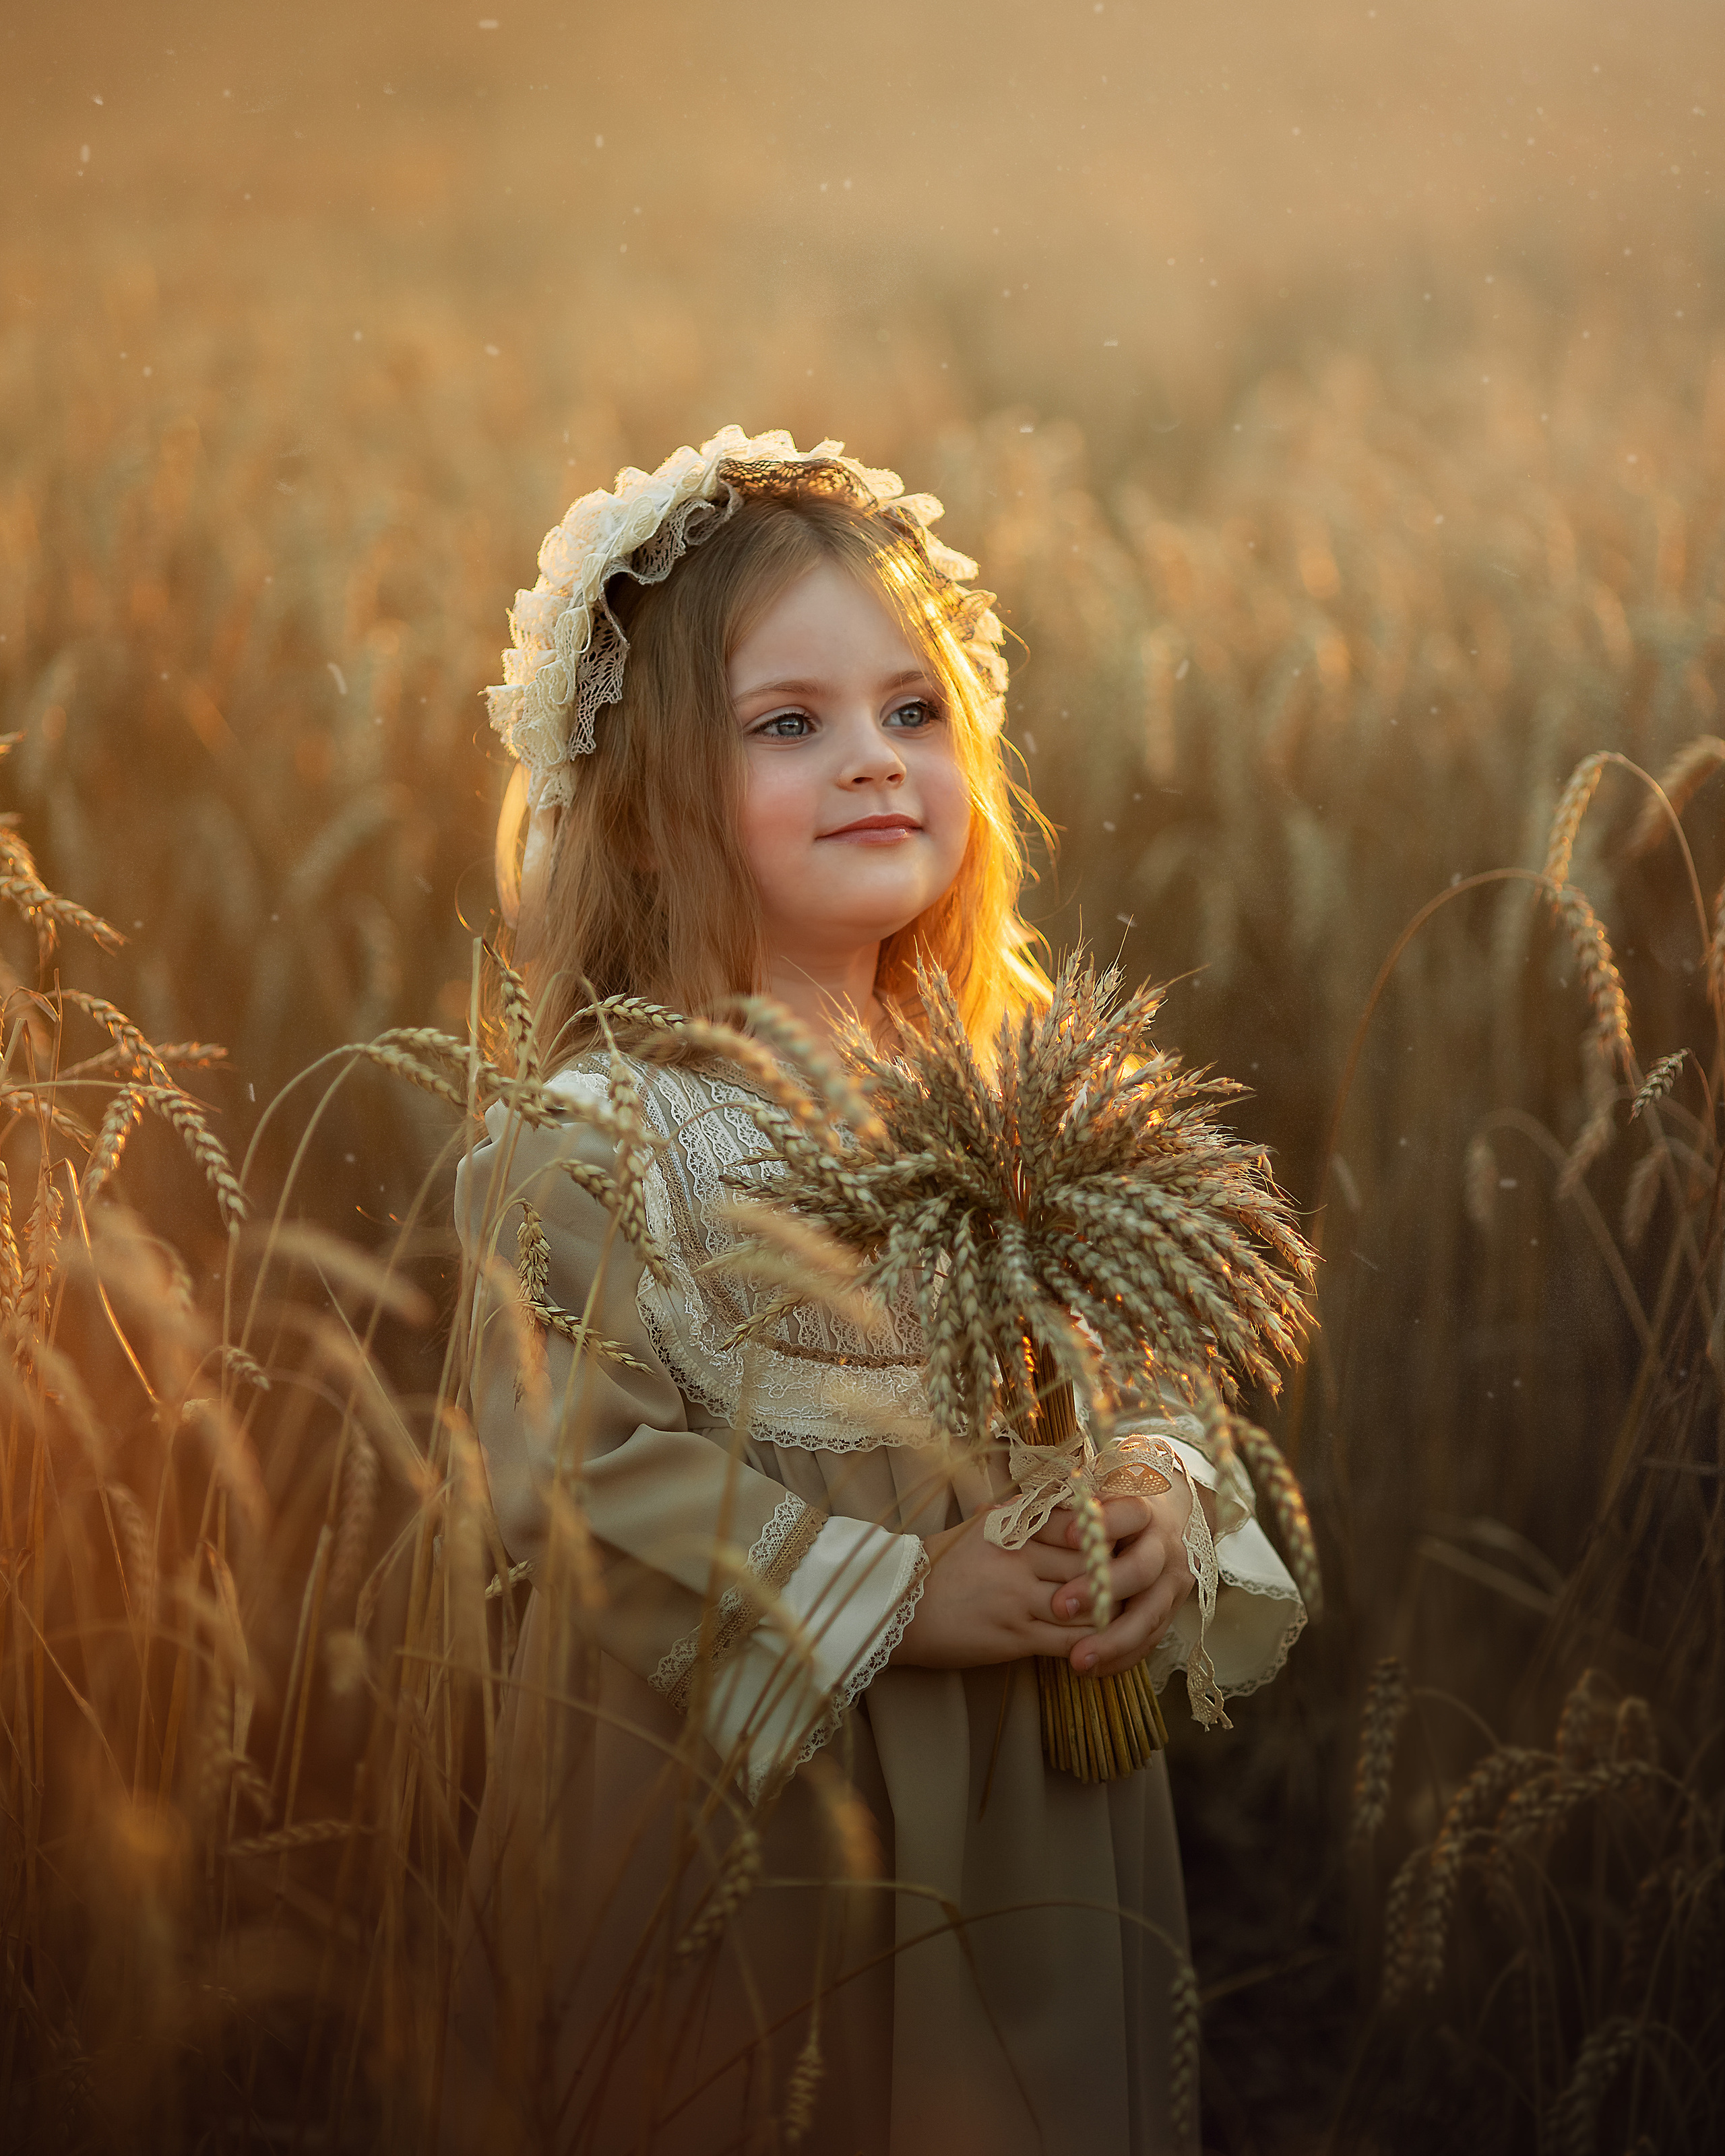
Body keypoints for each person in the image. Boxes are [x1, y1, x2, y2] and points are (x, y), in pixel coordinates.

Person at [441, 426, 1306, 2156]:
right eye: (789, 723)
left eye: (916, 713)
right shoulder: (601, 1141)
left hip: (1034, 1792)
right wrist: (904, 1598)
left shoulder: (1011, 1089)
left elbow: (1135, 1360)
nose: (873, 763)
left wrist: (1146, 1488)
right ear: (645, 788)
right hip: (761, 1818)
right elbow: (572, 1482)